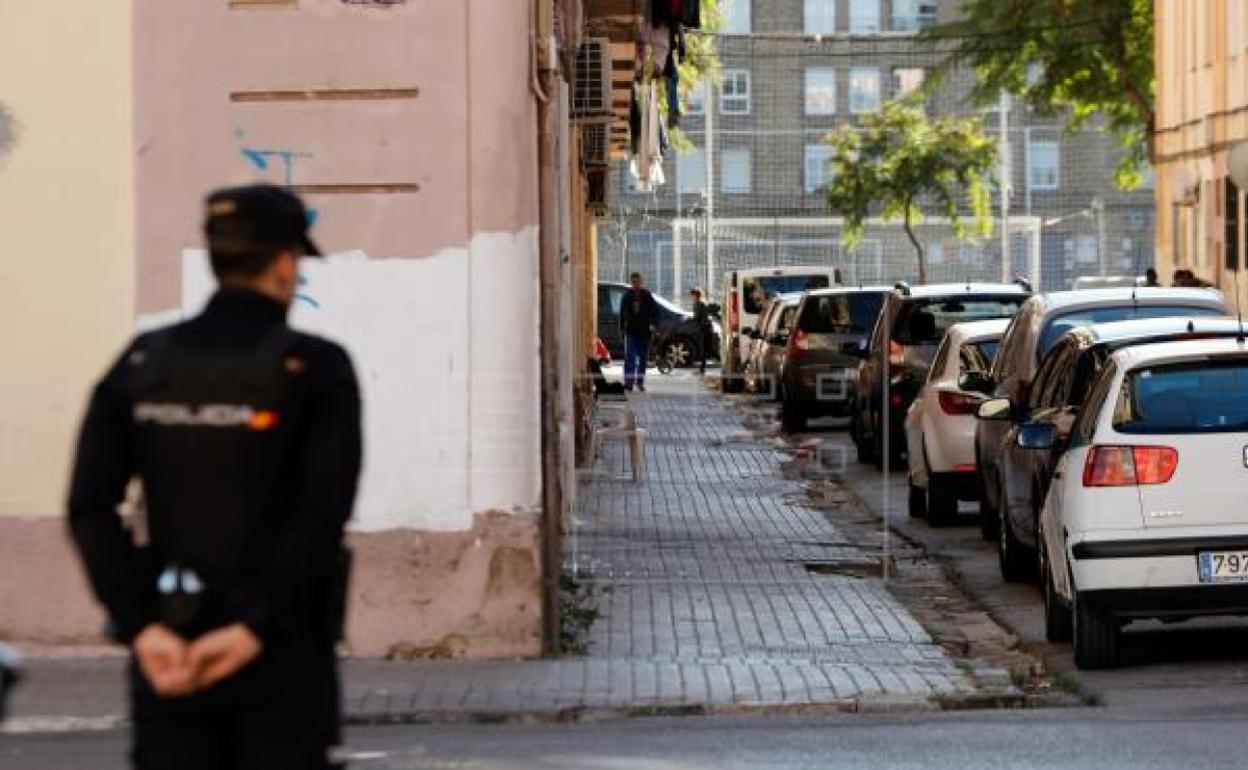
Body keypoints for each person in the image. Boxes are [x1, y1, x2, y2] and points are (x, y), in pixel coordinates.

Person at [67, 184, 362, 770]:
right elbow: (322, 514)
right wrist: (254, 629)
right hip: (279, 661)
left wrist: (142, 629)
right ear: (284, 263)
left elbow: (89, 508)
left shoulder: (143, 364)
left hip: (171, 657)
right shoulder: (315, 369)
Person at [619, 272, 658, 392]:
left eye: (638, 282)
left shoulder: (647, 295)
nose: (636, 284)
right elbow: (622, 314)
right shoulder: (627, 296)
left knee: (642, 359)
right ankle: (629, 382)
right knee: (629, 357)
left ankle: (640, 382)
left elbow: (655, 311)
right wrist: (622, 329)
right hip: (631, 331)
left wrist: (654, 325)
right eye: (634, 282)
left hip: (644, 332)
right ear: (631, 282)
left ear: (641, 282)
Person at [690, 287, 713, 375]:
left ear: (695, 295)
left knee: (703, 349)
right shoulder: (703, 302)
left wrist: (688, 320)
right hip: (708, 327)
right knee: (707, 349)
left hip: (703, 328)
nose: (692, 297)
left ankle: (702, 369)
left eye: (692, 295)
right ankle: (702, 368)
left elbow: (696, 317)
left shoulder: (697, 303)